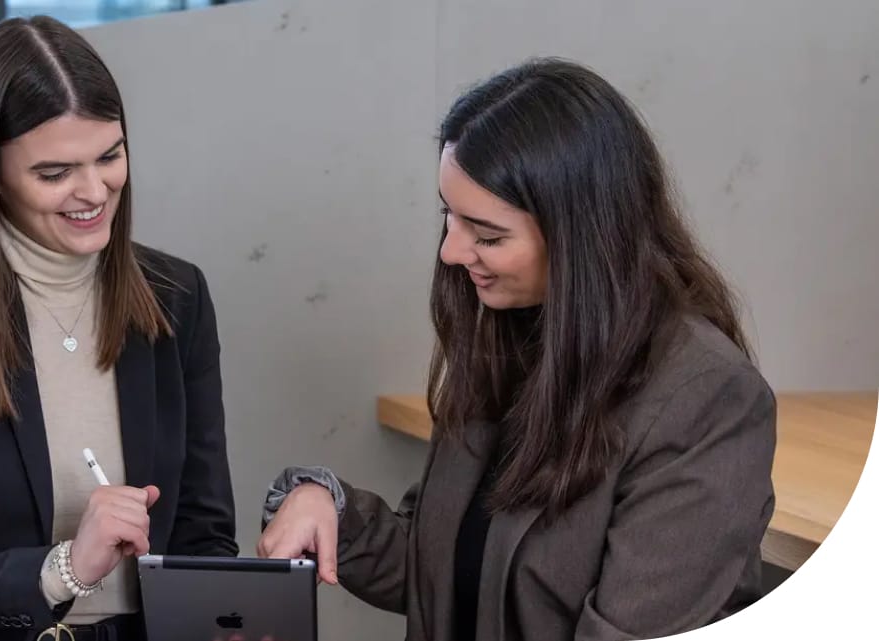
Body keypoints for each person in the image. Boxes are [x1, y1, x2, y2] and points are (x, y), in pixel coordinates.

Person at [258, 58, 776, 641]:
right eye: (448, 217)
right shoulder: (510, 338)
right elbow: (449, 574)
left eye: (488, 236)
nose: (451, 252)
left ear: (581, 235)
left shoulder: (706, 398)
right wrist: (331, 512)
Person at [0, 16, 237, 641]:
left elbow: (202, 533)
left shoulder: (179, 297)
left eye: (110, 156)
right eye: (54, 173)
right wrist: (64, 569)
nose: (94, 191)